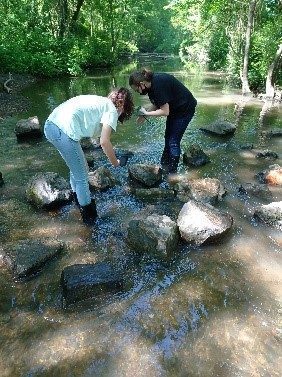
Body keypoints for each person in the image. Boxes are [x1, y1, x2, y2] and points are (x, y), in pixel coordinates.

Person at [44, 87, 134, 225]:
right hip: (63, 130)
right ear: (122, 105)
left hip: (51, 126)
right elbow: (104, 141)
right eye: (123, 112)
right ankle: (89, 219)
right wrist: (115, 162)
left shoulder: (101, 103)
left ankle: (77, 201)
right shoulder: (111, 110)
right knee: (82, 177)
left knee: (78, 169)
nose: (121, 116)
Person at [129, 68, 197, 174]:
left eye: (137, 90)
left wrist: (147, 114)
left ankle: (172, 173)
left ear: (142, 84)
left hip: (185, 109)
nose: (138, 92)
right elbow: (157, 103)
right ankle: (165, 164)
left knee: (173, 141)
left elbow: (165, 112)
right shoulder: (151, 86)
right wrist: (144, 115)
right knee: (168, 137)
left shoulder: (158, 85)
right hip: (175, 108)